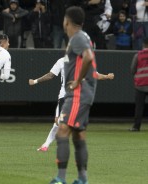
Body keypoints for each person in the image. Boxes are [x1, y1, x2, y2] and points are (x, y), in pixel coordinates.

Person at [49, 6, 97, 184]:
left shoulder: (77, 37)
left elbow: (88, 57)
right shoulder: (83, 36)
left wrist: (77, 81)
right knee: (78, 135)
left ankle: (60, 179)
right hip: (84, 93)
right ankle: (82, 179)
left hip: (78, 93)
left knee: (62, 131)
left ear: (66, 21)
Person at [29, 57, 114, 152]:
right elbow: (50, 75)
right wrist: (35, 81)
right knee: (57, 122)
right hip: (64, 96)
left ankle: (61, 145)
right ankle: (46, 145)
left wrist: (107, 76)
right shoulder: (61, 61)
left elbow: (95, 75)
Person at [129, 37, 148, 131]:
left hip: (140, 85)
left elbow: (132, 70)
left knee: (139, 107)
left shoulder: (138, 55)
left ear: (143, 44)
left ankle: (136, 127)